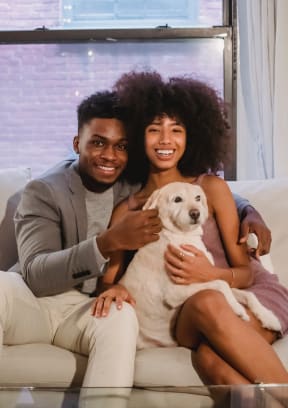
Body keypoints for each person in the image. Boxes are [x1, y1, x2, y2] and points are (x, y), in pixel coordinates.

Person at [0, 87, 271, 390]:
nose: (110, 156)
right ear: (77, 143)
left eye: (121, 146)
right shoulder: (64, 192)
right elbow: (41, 273)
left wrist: (250, 212)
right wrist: (109, 251)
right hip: (45, 302)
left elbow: (200, 196)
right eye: (99, 143)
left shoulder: (157, 184)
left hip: (99, 308)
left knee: (153, 324)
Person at [93, 71, 288, 391]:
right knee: (204, 303)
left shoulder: (210, 188)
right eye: (155, 129)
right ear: (138, 136)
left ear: (192, 135)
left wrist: (207, 273)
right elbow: (109, 281)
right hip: (185, 315)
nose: (166, 140)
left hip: (247, 297)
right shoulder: (127, 210)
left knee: (211, 360)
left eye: (177, 130)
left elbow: (246, 273)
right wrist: (109, 290)